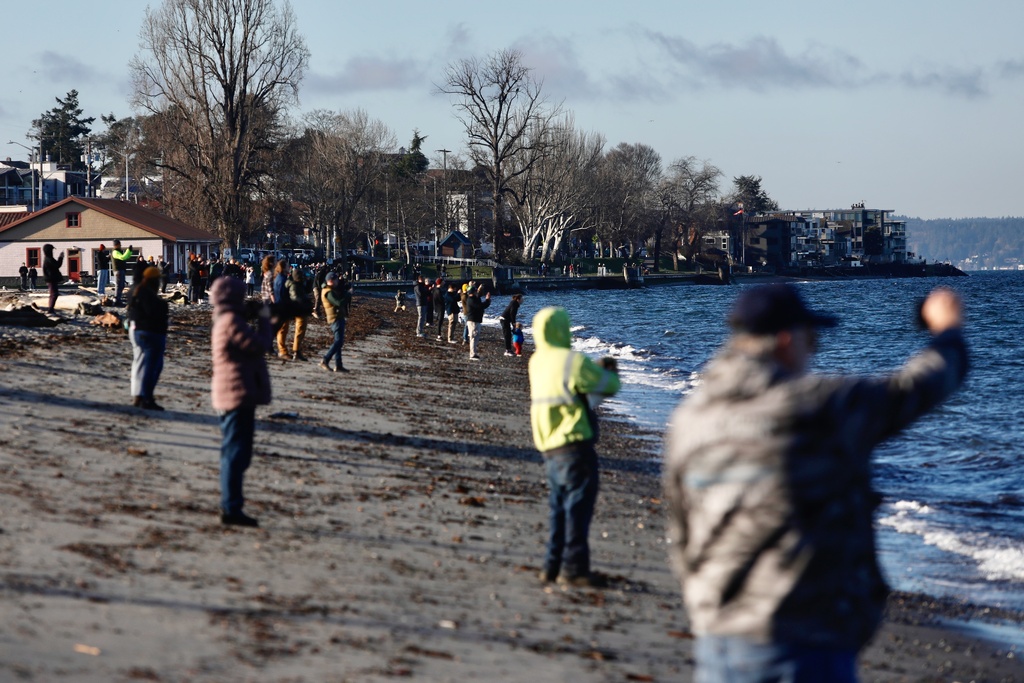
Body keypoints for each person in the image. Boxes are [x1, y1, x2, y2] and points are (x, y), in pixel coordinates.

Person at [662, 284, 968, 683]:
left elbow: (681, 534)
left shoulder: (689, 420)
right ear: (787, 340)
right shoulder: (815, 407)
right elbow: (917, 387)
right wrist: (947, 330)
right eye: (813, 339)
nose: (815, 350)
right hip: (803, 638)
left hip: (717, 636)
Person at [529, 306, 621, 587]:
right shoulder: (573, 361)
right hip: (575, 445)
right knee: (577, 509)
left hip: (549, 446)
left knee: (558, 508)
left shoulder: (536, 362)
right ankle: (575, 570)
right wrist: (607, 368)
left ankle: (551, 565)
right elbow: (609, 385)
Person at [210, 275, 273, 528]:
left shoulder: (222, 319)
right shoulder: (230, 321)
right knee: (236, 454)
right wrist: (265, 318)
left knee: (233, 452)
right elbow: (260, 345)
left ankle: (231, 504)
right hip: (236, 393)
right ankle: (231, 507)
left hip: (230, 392)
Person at [127, 266, 170, 411]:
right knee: (152, 367)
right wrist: (164, 306)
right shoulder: (146, 293)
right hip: (150, 332)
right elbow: (152, 312)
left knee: (140, 363)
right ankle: (146, 397)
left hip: (136, 330)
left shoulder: (135, 290)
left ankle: (138, 395)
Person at [320, 272, 353, 372]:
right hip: (335, 318)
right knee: (339, 341)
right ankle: (325, 359)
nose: (337, 282)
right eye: (336, 280)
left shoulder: (330, 290)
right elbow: (338, 303)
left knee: (338, 341)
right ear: (331, 280)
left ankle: (338, 365)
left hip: (337, 317)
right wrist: (348, 294)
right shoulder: (328, 292)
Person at [463, 284, 491, 360]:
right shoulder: (471, 299)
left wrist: (487, 299)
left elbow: (479, 300)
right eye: (475, 291)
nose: (476, 292)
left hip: (476, 320)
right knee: (473, 337)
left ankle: (474, 353)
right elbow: (480, 306)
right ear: (473, 292)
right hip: (473, 320)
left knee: (475, 337)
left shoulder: (474, 298)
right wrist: (487, 300)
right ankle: (472, 354)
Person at [41, 243, 64, 314]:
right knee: (54, 294)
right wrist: (61, 257)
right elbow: (57, 265)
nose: (52, 252)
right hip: (51, 279)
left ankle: (51, 309)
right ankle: (50, 309)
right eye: (51, 250)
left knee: (53, 294)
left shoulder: (47, 258)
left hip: (50, 278)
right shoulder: (49, 259)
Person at [111, 240, 133, 306]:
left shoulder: (118, 251)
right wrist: (128, 250)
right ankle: (117, 299)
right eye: (120, 244)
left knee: (122, 285)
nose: (121, 246)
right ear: (116, 245)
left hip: (121, 270)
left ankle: (118, 298)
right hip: (118, 271)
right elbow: (123, 257)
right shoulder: (115, 252)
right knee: (119, 285)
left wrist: (130, 251)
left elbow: (127, 257)